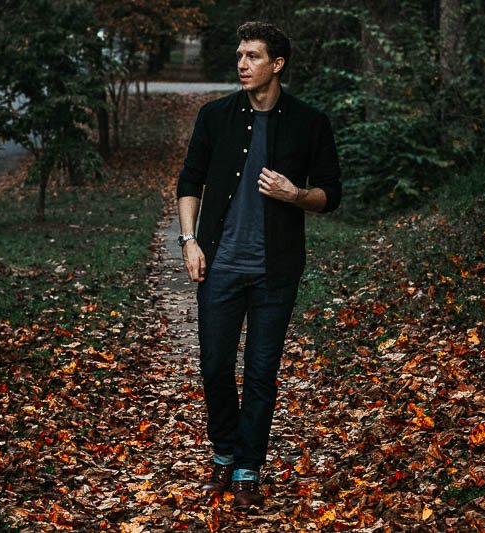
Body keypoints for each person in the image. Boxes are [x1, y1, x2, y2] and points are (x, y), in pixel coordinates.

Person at [176, 21, 342, 509]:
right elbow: (190, 181)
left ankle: (248, 467)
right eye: (239, 55)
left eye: (252, 56)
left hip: (276, 271)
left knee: (263, 372)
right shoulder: (215, 116)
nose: (242, 64)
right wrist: (189, 241)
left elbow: (331, 194)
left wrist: (295, 194)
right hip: (220, 266)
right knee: (214, 366)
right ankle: (223, 450)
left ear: (277, 64)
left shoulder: (310, 122)